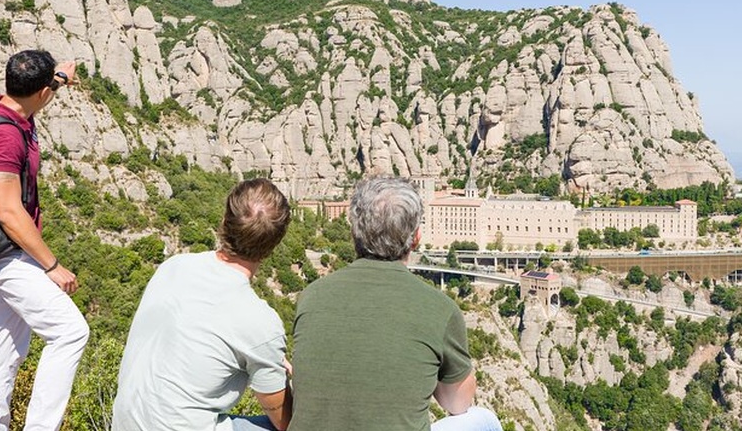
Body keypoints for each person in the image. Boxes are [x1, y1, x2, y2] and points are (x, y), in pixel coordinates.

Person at [289, 176, 502, 431]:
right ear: (416, 238)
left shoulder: (311, 295)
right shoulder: (439, 308)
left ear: (354, 233)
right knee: (484, 420)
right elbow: (457, 403)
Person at [113, 178, 294, 431]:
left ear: (224, 221)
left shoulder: (173, 266)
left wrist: (267, 356)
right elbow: (285, 422)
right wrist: (277, 367)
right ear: (273, 245)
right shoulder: (260, 322)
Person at [0, 49, 89, 430]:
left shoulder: (9, 110)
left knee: (5, 353)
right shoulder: (5, 136)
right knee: (70, 333)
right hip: (5, 254)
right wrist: (52, 266)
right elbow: (8, 210)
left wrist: (59, 79)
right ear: (37, 91)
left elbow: (39, 97)